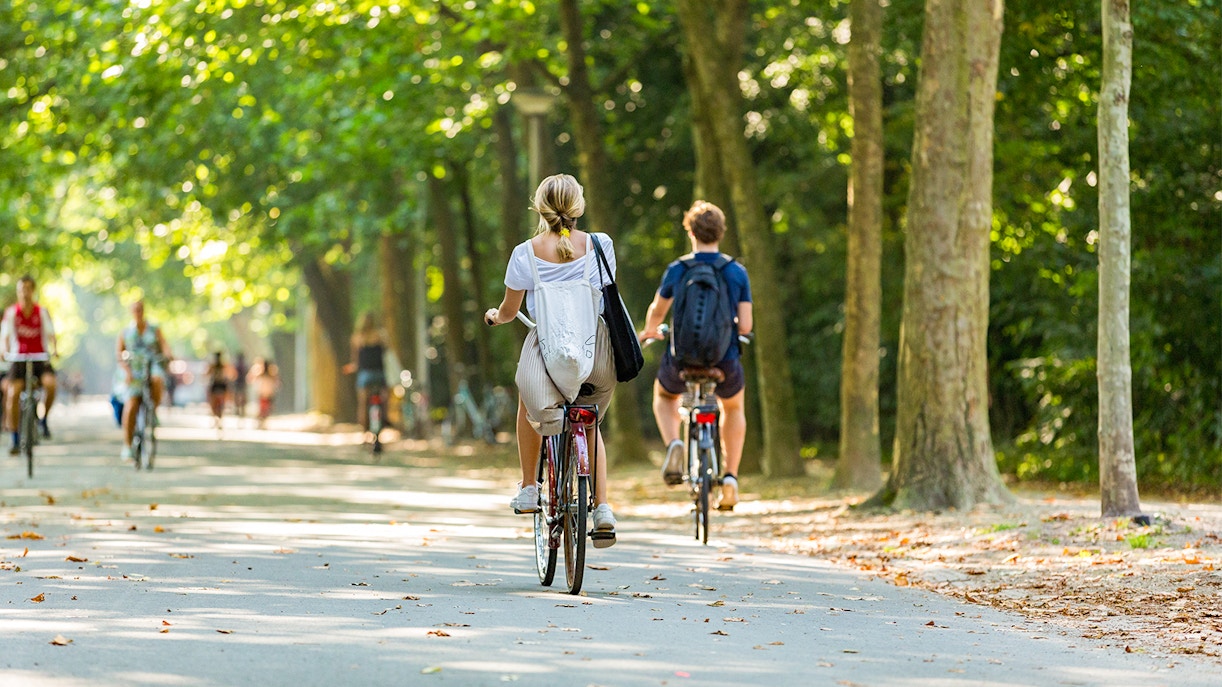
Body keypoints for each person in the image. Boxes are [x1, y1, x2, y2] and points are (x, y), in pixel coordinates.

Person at [484, 173, 619, 546]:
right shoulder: (601, 245)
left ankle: (530, 487)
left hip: (548, 351)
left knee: (528, 401)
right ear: (579, 206)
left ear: (539, 207)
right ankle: (603, 507)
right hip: (595, 354)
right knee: (589, 419)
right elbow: (604, 296)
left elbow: (510, 312)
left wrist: (495, 316)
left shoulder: (524, 253)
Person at [638, 201, 753, 510]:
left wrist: (650, 331)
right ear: (721, 232)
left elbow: (658, 311)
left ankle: (674, 443)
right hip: (724, 361)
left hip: (682, 360)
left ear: (690, 231)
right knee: (733, 406)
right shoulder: (736, 272)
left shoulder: (679, 269)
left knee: (664, 397)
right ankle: (730, 477)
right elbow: (746, 324)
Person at [1, 275, 58, 453]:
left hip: (39, 357)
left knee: (51, 385)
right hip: (18, 359)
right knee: (12, 394)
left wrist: (54, 349)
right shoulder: (12, 313)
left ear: (32, 291)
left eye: (27, 289)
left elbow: (51, 334)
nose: (24, 293)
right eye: (21, 289)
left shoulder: (41, 312)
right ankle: (15, 437)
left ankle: (43, 420)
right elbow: (5, 336)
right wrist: (3, 351)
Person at [117, 299, 173, 460]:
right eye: (135, 309)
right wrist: (127, 371)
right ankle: (127, 446)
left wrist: (168, 355)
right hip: (133, 369)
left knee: (157, 379)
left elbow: (164, 345)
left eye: (140, 309)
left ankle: (153, 410)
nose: (138, 312)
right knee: (131, 405)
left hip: (152, 364)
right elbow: (119, 355)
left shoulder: (154, 329)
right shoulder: (126, 332)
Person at [342, 314, 387, 437]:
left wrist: (351, 368)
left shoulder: (357, 338)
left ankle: (363, 432)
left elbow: (356, 361)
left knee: (362, 404)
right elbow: (388, 352)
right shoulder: (381, 335)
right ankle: (382, 424)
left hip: (365, 375)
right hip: (379, 373)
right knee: (383, 400)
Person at [248, 357, 280, 429]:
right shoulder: (271, 373)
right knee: (266, 408)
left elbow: (251, 379)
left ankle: (261, 421)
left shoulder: (263, 372)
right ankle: (262, 421)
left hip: (262, 392)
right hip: (268, 393)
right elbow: (277, 381)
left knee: (263, 408)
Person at [205, 351, 228, 431]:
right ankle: (219, 420)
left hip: (215, 386)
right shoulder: (224, 365)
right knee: (222, 404)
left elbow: (206, 374)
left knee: (212, 404)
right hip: (222, 386)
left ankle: (216, 419)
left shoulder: (213, 366)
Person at [232, 352, 249, 419]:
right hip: (243, 383)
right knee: (243, 396)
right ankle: (242, 409)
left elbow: (233, 375)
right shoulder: (245, 366)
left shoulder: (236, 365)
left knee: (237, 396)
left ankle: (237, 409)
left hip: (237, 383)